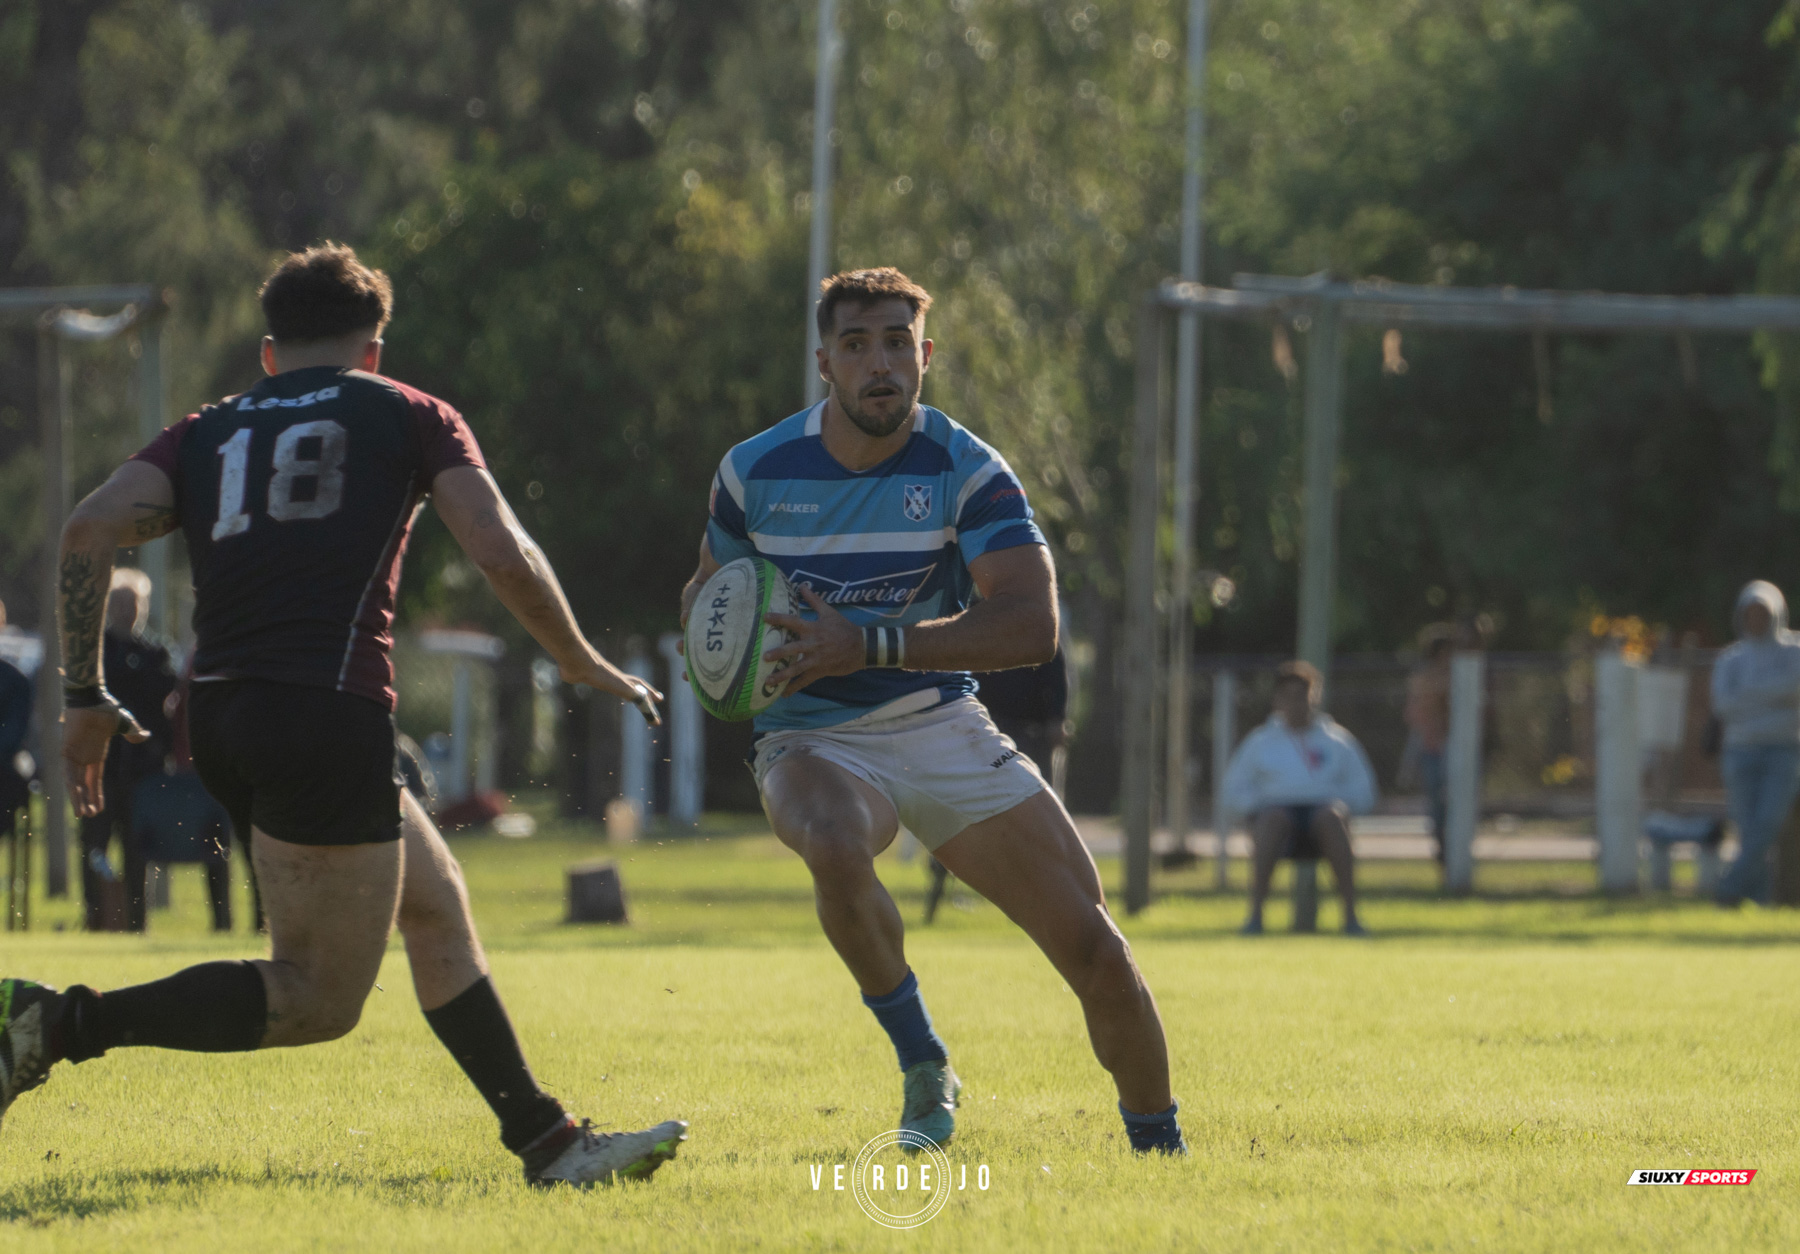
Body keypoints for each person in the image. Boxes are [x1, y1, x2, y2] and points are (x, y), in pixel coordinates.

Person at [0, 243, 686, 1186]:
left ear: (271, 354)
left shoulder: (210, 428)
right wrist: (579, 658)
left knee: (434, 904)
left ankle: (548, 1142)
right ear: (374, 351)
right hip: (324, 710)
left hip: (224, 713)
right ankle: (58, 1024)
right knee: (319, 998)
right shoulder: (406, 410)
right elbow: (500, 550)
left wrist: (83, 696)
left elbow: (86, 530)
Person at [680, 268, 1184, 1155]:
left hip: (937, 720)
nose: (880, 363)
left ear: (927, 356)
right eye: (857, 344)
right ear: (824, 363)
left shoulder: (967, 468)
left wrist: (867, 645)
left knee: (1100, 957)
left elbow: (1033, 625)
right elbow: (709, 592)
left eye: (897, 343)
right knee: (834, 841)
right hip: (811, 733)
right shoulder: (752, 472)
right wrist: (717, 650)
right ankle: (924, 1065)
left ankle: (1160, 1148)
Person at [1222, 660, 1376, 936]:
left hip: (1322, 817)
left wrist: (1338, 804)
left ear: (1314, 697)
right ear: (1278, 700)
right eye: (1288, 697)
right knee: (1272, 819)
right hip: (1277, 816)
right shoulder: (1260, 743)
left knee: (1331, 818)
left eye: (1302, 696)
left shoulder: (1338, 742)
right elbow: (1234, 789)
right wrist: (1257, 807)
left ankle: (1351, 918)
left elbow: (1364, 789)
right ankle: (1255, 917)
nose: (1296, 704)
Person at [925, 647, 1070, 921]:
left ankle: (1045, 900)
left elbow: (1056, 679)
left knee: (1037, 822)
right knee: (956, 814)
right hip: (981, 731)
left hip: (1029, 734)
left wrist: (1056, 720)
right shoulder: (976, 622)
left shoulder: (1033, 627)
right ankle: (938, 885)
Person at [76, 568, 177, 932]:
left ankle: (137, 921)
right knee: (94, 846)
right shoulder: (95, 653)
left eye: (132, 603)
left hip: (140, 770)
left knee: (137, 850)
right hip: (100, 767)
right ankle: (96, 916)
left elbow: (164, 711)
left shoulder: (156, 653)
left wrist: (157, 751)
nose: (125, 611)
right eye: (118, 603)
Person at [1709, 580, 1800, 906]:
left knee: (1768, 822)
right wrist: (1773, 697)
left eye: (1763, 612)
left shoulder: (1794, 651)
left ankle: (1729, 889)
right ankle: (1761, 900)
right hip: (1740, 751)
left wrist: (1750, 697)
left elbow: (1794, 688)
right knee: (1748, 829)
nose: (1757, 619)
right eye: (1751, 613)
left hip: (1784, 751)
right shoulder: (1731, 659)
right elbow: (1723, 705)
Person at [1403, 625, 1454, 865]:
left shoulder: (1460, 676)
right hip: (1431, 745)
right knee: (1435, 796)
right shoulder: (1424, 677)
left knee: (1454, 797)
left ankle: (1456, 845)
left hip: (1454, 746)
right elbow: (1414, 712)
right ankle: (1441, 844)